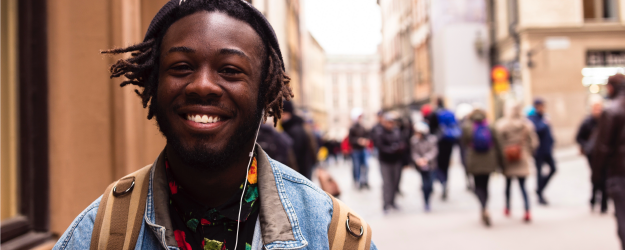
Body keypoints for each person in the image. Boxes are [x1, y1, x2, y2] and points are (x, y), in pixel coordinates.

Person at [53, 1, 376, 249]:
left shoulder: (334, 236)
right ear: (153, 82)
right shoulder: (101, 234)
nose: (203, 85)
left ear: (265, 90)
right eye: (181, 66)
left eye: (231, 70)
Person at [592, 74, 625, 249]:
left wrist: (596, 175)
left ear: (611, 88)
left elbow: (603, 148)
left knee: (623, 216)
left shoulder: (611, 110)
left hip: (619, 172)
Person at [496, 101, 538, 223]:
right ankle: (527, 211)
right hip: (522, 158)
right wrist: (527, 153)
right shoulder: (526, 125)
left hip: (508, 158)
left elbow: (499, 142)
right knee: (523, 187)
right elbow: (534, 143)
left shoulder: (502, 125)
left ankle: (508, 208)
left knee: (508, 185)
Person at [460, 108, 500, 226]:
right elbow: (498, 144)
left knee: (477, 186)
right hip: (489, 160)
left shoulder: (467, 127)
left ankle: (483, 207)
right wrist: (501, 163)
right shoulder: (490, 126)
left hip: (474, 160)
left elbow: (464, 144)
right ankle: (485, 208)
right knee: (486, 185)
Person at [576, 97, 607, 213]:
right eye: (596, 108)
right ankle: (593, 200)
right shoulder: (587, 122)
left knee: (604, 178)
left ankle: (604, 204)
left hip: (604, 154)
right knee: (596, 177)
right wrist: (587, 147)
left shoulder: (607, 120)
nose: (598, 110)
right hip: (592, 155)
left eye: (599, 108)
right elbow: (579, 137)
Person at [372, 112, 405, 213]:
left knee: (395, 182)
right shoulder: (380, 132)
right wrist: (391, 149)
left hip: (396, 160)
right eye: (388, 122)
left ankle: (393, 202)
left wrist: (399, 148)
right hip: (385, 161)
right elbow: (380, 146)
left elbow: (402, 141)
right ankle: (386, 204)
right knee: (387, 183)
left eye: (392, 122)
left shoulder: (397, 131)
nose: (390, 124)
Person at [427, 97, 460, 200]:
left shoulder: (434, 114)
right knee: (446, 165)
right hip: (449, 143)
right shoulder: (450, 112)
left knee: (437, 165)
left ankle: (441, 182)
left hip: (438, 143)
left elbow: (430, 130)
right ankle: (445, 183)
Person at [528, 98, 555, 205]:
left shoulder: (543, 116)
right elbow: (537, 129)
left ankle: (539, 188)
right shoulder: (532, 118)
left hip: (547, 149)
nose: (543, 108)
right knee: (539, 173)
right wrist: (545, 122)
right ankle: (539, 194)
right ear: (537, 106)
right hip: (538, 151)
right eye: (542, 106)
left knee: (553, 169)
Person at [281, 100, 317, 180]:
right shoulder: (299, 126)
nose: (281, 116)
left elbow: (295, 155)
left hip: (300, 171)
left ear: (288, 113)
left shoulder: (293, 130)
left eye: (283, 113)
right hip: (305, 169)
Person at [410, 122, 438, 212]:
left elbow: (434, 151)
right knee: (425, 185)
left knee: (430, 184)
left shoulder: (432, 139)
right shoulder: (414, 140)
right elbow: (414, 152)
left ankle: (429, 197)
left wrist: (426, 159)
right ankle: (426, 202)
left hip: (431, 165)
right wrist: (418, 160)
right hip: (421, 166)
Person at [348, 108, 371, 189]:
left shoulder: (363, 127)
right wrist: (358, 141)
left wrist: (366, 141)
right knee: (356, 167)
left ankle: (364, 181)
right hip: (355, 150)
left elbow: (367, 136)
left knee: (365, 166)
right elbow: (350, 140)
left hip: (363, 149)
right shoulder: (352, 128)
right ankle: (357, 182)